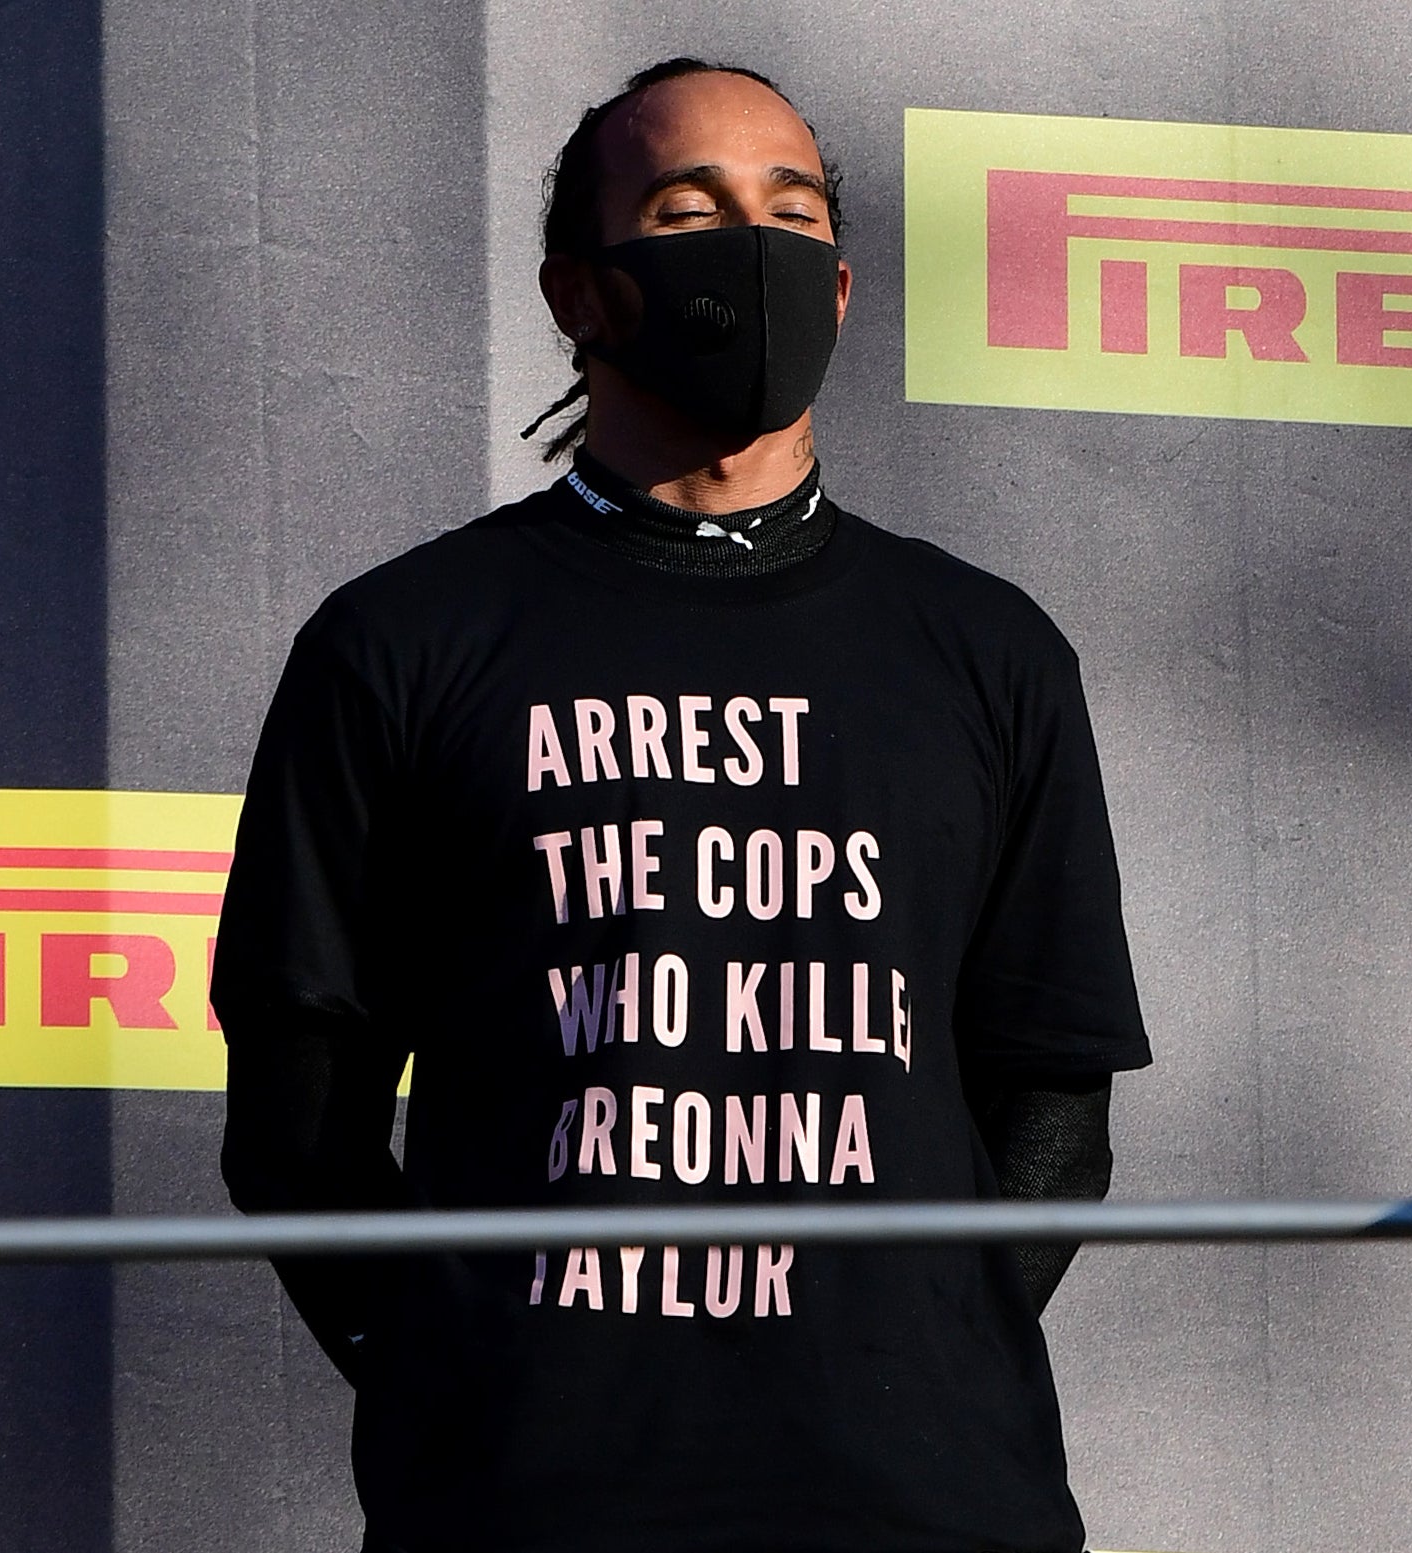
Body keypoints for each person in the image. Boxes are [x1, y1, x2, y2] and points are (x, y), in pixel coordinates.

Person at [212, 57, 1150, 1553]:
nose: (749, 248)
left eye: (789, 212)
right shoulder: (400, 641)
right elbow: (295, 1117)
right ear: (578, 293)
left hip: (925, 1508)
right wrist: (463, 1377)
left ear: (839, 287)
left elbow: (1055, 1098)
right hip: (527, 1511)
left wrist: (926, 1352)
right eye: (685, 207)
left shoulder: (987, 650)